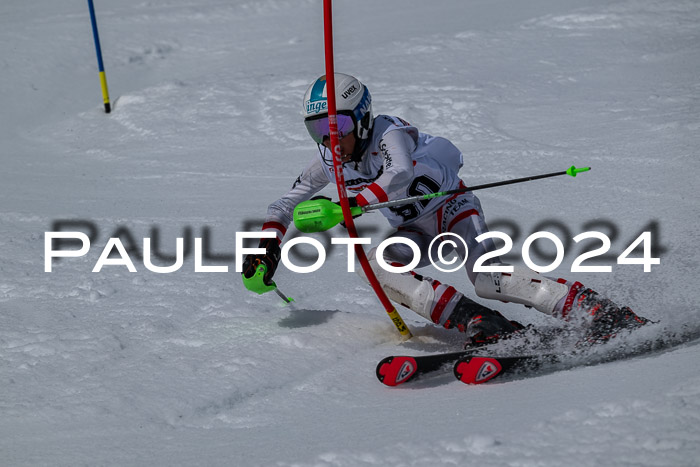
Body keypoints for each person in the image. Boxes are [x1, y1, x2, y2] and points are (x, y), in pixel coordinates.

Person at [242, 73, 649, 345]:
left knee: (489, 278)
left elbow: (399, 174)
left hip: (453, 209)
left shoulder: (389, 133)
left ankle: (593, 309)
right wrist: (267, 246)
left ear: (362, 120)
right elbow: (285, 202)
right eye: (319, 131)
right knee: (379, 268)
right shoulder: (332, 159)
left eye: (340, 129)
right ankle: (480, 322)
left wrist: (350, 203)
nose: (332, 142)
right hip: (413, 230)